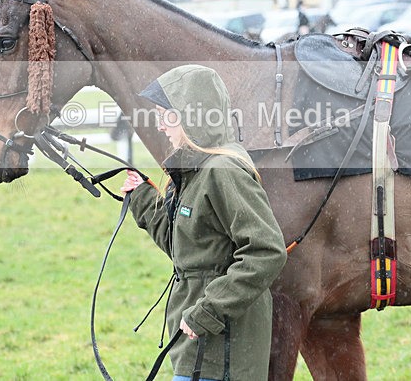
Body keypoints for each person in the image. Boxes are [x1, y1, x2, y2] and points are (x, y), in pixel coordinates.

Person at [120, 64, 287, 381]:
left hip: (223, 351)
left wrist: (210, 310)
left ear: (191, 116)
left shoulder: (224, 171)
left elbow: (266, 252)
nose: (160, 126)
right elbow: (185, 247)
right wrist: (141, 196)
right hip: (197, 343)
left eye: (167, 115)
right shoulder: (195, 171)